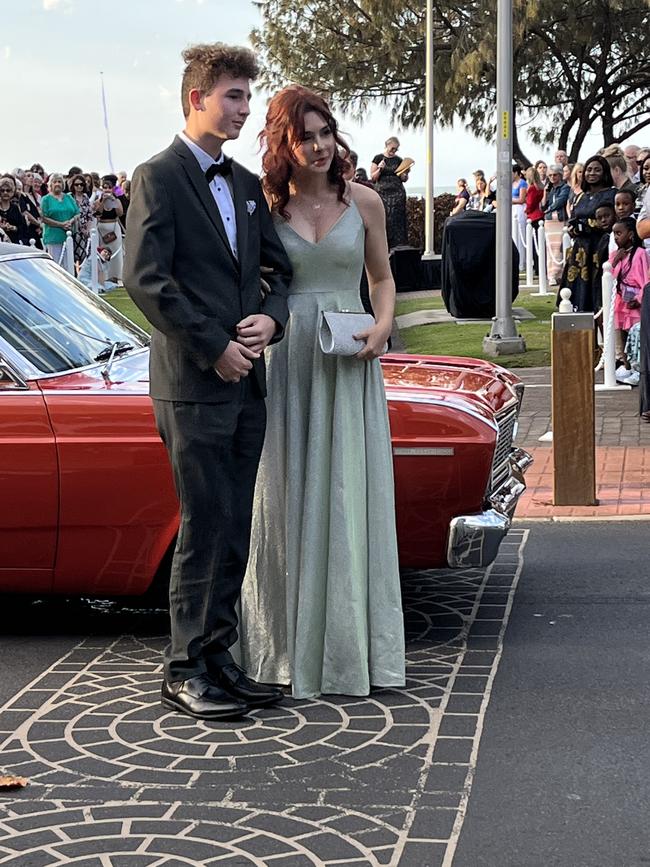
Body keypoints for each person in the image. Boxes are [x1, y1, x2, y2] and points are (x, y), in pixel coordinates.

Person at [124, 42, 292, 722]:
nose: (244, 109)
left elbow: (281, 275)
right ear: (197, 97)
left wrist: (269, 324)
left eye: (248, 97)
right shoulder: (156, 176)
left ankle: (220, 659)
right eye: (233, 96)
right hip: (193, 383)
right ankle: (184, 666)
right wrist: (214, 344)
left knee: (235, 523)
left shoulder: (248, 187)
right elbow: (146, 279)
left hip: (248, 382)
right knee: (202, 522)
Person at [239, 84, 406, 699]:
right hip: (286, 360)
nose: (316, 145)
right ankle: (281, 647)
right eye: (303, 135)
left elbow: (382, 278)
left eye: (325, 132)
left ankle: (349, 648)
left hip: (349, 355)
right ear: (283, 142)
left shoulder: (364, 202)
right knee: (284, 490)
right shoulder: (266, 206)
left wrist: (383, 325)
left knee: (346, 492)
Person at [560, 155, 615, 312]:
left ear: (604, 172)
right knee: (577, 295)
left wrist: (588, 226)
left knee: (598, 289)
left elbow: (609, 221)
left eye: (597, 170)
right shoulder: (580, 196)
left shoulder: (611, 194)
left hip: (600, 247)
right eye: (589, 170)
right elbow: (573, 219)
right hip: (580, 250)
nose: (592, 173)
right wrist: (573, 228)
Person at [609, 218, 648, 377]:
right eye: (614, 234)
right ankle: (625, 365)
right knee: (620, 335)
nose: (616, 237)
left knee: (636, 335)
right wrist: (616, 260)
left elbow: (646, 280)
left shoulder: (640, 254)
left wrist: (638, 299)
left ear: (631, 234)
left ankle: (638, 367)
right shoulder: (614, 255)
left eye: (619, 233)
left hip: (635, 303)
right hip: (619, 302)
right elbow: (609, 279)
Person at [370, 137, 408, 248]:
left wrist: (404, 173)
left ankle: (399, 244)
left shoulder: (399, 160)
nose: (394, 151)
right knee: (385, 217)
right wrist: (380, 169)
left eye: (396, 149)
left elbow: (404, 179)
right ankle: (383, 244)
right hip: (382, 193)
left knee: (397, 218)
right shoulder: (378, 158)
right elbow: (373, 177)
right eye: (392, 149)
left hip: (397, 193)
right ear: (387, 146)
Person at [40, 172, 79, 263]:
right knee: (56, 263)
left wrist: (70, 221)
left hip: (68, 235)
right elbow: (44, 218)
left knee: (68, 263)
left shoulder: (69, 197)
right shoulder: (46, 199)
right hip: (53, 237)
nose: (57, 184)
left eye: (59, 182)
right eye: (54, 182)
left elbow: (77, 213)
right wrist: (61, 224)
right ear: (50, 184)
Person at [543, 164, 570, 283]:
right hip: (549, 221)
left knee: (558, 248)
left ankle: (558, 273)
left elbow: (560, 201)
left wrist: (548, 209)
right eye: (550, 175)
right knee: (550, 249)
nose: (552, 177)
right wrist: (545, 192)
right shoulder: (550, 189)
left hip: (560, 220)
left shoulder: (565, 187)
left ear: (560, 175)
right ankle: (551, 274)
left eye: (555, 175)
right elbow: (543, 205)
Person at [96, 174, 124, 284]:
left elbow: (120, 213)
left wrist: (113, 201)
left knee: (116, 253)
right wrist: (103, 200)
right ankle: (105, 275)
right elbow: (98, 213)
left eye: (109, 187)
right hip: (102, 228)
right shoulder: (99, 200)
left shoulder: (116, 199)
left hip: (114, 227)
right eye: (105, 187)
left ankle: (116, 275)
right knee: (103, 252)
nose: (107, 189)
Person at [69, 173, 93, 266]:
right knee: (73, 256)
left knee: (84, 255)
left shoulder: (85, 197)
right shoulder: (69, 197)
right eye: (76, 184)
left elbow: (89, 215)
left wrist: (87, 229)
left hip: (85, 231)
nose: (79, 186)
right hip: (73, 229)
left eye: (81, 184)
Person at [525, 165, 545, 274]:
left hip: (533, 216)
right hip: (539, 215)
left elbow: (530, 203)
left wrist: (526, 211)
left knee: (535, 244)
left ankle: (537, 267)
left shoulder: (532, 188)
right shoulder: (541, 187)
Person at [19, 170, 43, 248]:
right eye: (28, 176)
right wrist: (38, 223)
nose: (31, 178)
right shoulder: (21, 195)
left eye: (32, 176)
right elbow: (24, 212)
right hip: (28, 230)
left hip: (36, 230)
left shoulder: (33, 195)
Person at [0, 175, 26, 245]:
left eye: (8, 190)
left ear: (12, 192)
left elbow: (22, 227)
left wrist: (13, 228)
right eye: (2, 190)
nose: (5, 193)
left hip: (13, 243)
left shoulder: (15, 208)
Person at [512, 164, 528, 270]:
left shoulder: (522, 183)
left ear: (516, 173)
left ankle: (522, 262)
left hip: (519, 208)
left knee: (520, 234)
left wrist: (510, 200)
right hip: (512, 209)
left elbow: (522, 199)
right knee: (513, 235)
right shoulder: (511, 183)